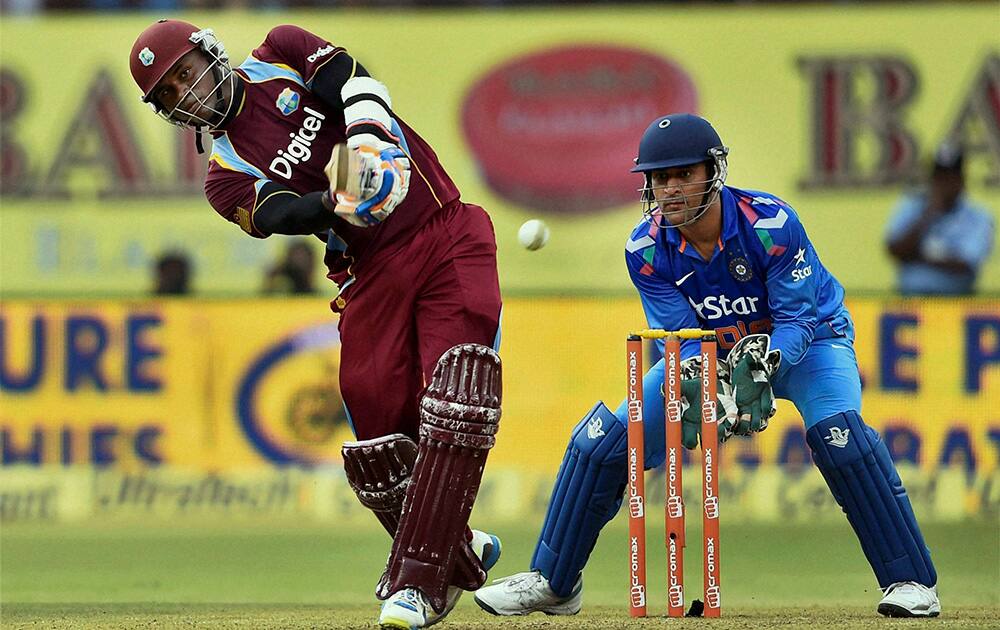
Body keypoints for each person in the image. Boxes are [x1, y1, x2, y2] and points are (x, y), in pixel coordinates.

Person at [474, 114, 940, 618]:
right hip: (714, 357)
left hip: (807, 345)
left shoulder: (771, 226)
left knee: (840, 436)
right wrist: (707, 382)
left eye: (682, 175)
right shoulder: (647, 249)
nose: (669, 189)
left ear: (712, 171)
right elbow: (679, 339)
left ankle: (911, 582)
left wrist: (766, 361)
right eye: (659, 178)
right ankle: (553, 582)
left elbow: (800, 318)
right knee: (602, 440)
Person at [129, 20, 504, 629]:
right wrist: (337, 202)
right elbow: (278, 213)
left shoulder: (280, 50)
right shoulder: (223, 178)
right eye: (169, 94)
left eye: (184, 73)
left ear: (209, 52)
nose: (185, 93)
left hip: (441, 230)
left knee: (456, 393)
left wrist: (369, 140)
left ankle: (416, 583)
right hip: (368, 270)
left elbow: (352, 81)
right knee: (376, 436)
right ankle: (457, 552)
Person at [886, 142, 994, 295]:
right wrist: (929, 214)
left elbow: (966, 264)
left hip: (956, 305)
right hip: (910, 303)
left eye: (950, 177)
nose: (944, 184)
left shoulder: (977, 217)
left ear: (961, 180)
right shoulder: (912, 206)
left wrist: (917, 256)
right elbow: (894, 249)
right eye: (939, 177)